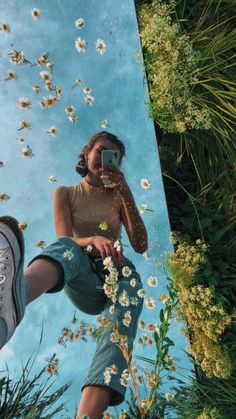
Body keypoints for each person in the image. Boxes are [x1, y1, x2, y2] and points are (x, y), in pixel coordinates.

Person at [0, 131, 148, 419]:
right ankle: (9, 302)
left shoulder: (118, 198)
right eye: (102, 152)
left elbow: (140, 244)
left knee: (131, 283)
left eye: (114, 158)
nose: (107, 161)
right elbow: (65, 238)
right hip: (82, 274)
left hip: (115, 277)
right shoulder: (66, 193)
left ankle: (89, 414)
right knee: (67, 247)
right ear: (86, 152)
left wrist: (126, 191)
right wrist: (92, 239)